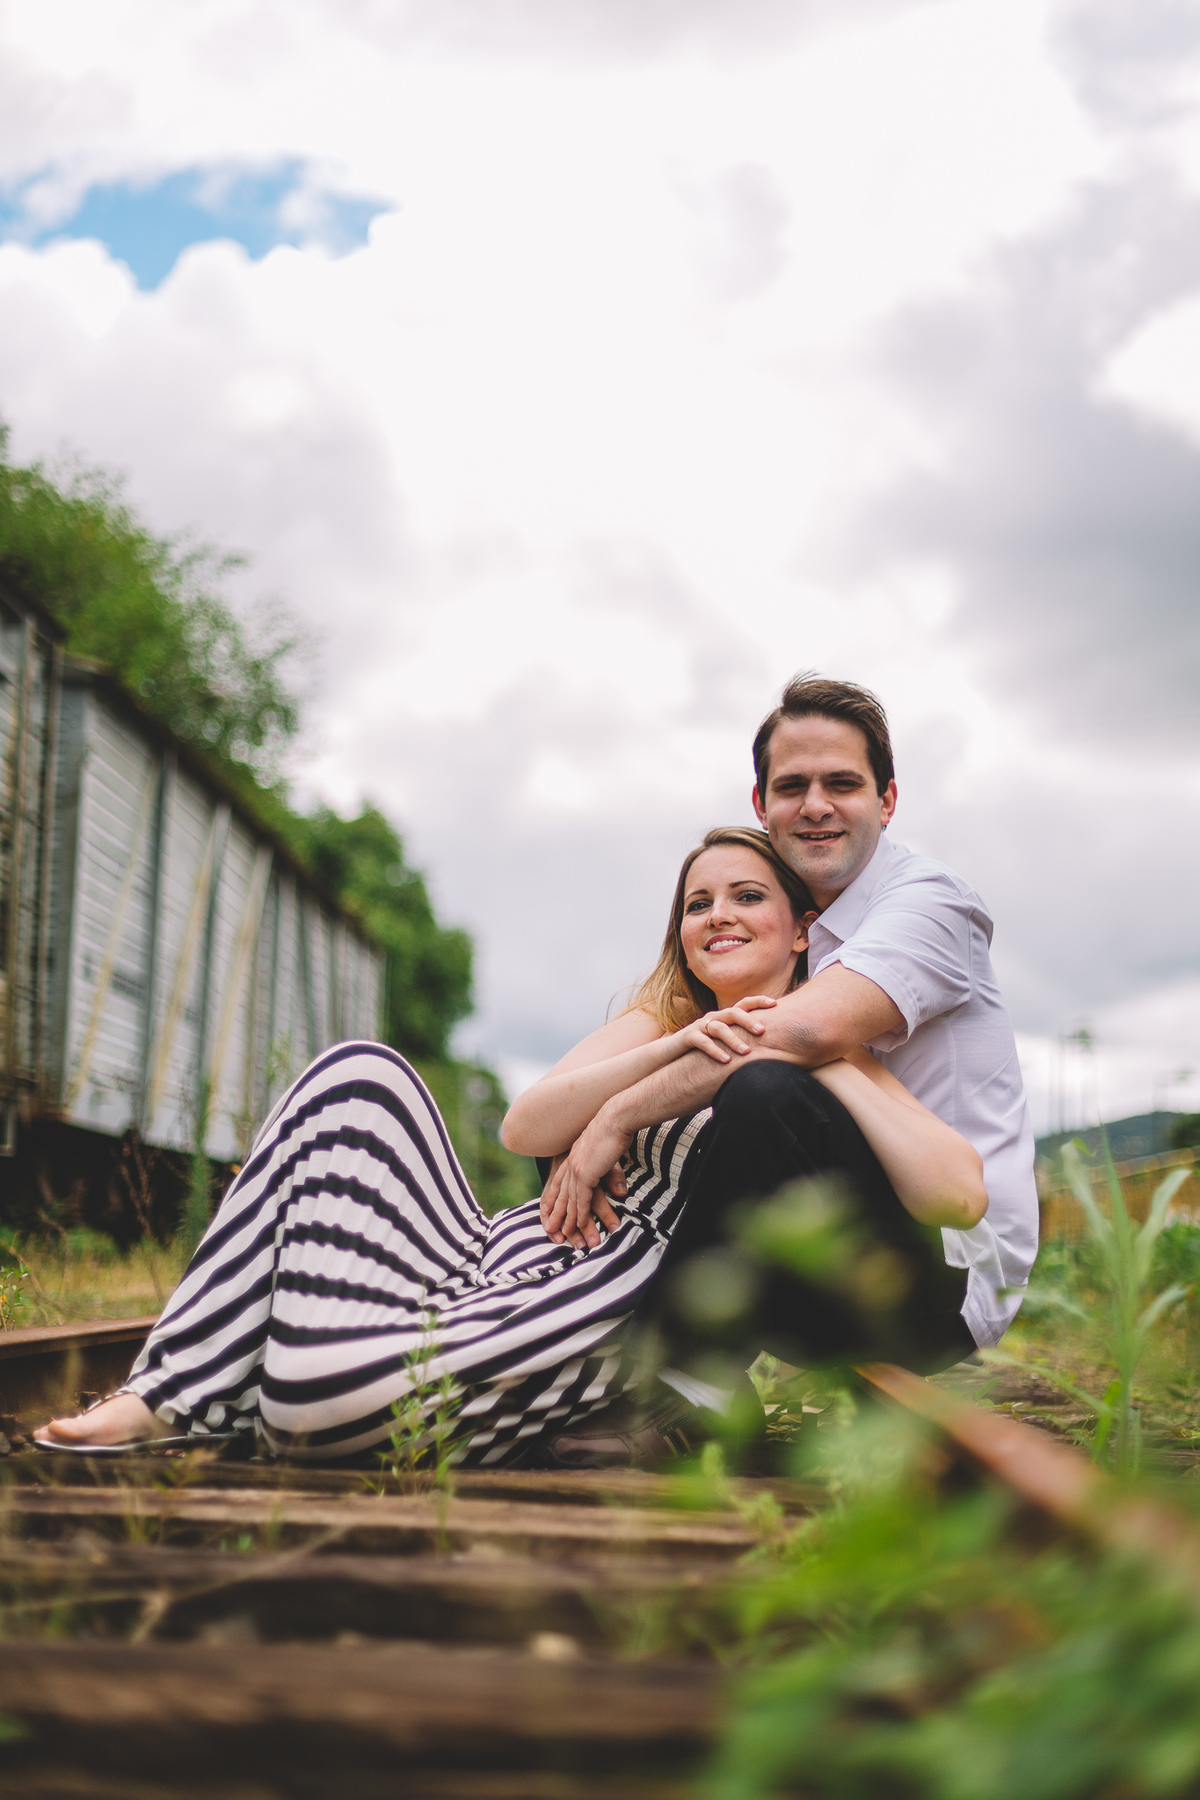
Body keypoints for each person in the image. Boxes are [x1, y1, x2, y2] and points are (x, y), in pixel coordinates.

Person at [34, 822, 983, 1464]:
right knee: (358, 1075)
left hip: (616, 1300)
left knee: (312, 1401)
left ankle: (232, 1393)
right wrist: (669, 1057)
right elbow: (527, 1124)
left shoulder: (828, 1054)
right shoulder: (658, 1020)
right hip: (509, 1248)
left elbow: (956, 1189)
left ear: (802, 931)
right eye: (698, 904)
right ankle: (164, 1393)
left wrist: (813, 1049)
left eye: (746, 896)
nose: (719, 915)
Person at [538, 673, 1037, 1468]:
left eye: (843, 783)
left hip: (942, 1274)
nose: (815, 806)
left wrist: (616, 1115)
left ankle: (686, 1389)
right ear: (761, 802)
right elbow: (535, 1118)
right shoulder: (796, 930)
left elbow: (805, 1032)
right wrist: (598, 1117)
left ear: (888, 800)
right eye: (792, 786)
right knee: (671, 1111)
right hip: (833, 1245)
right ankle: (583, 1351)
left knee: (761, 1084)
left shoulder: (927, 903)